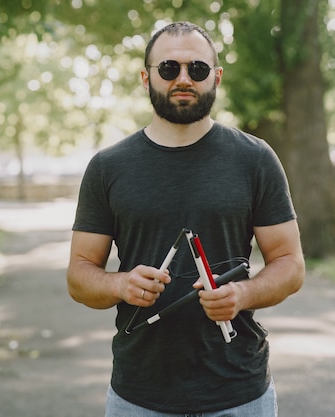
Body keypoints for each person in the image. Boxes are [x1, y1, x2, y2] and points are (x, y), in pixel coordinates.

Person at [66, 21, 305, 416]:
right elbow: (78, 275)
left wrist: (241, 294)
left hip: (239, 393)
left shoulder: (255, 159)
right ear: (146, 77)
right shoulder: (108, 167)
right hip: (138, 395)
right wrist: (122, 284)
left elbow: (291, 265)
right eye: (168, 69)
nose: (183, 79)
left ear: (216, 77)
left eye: (197, 69)